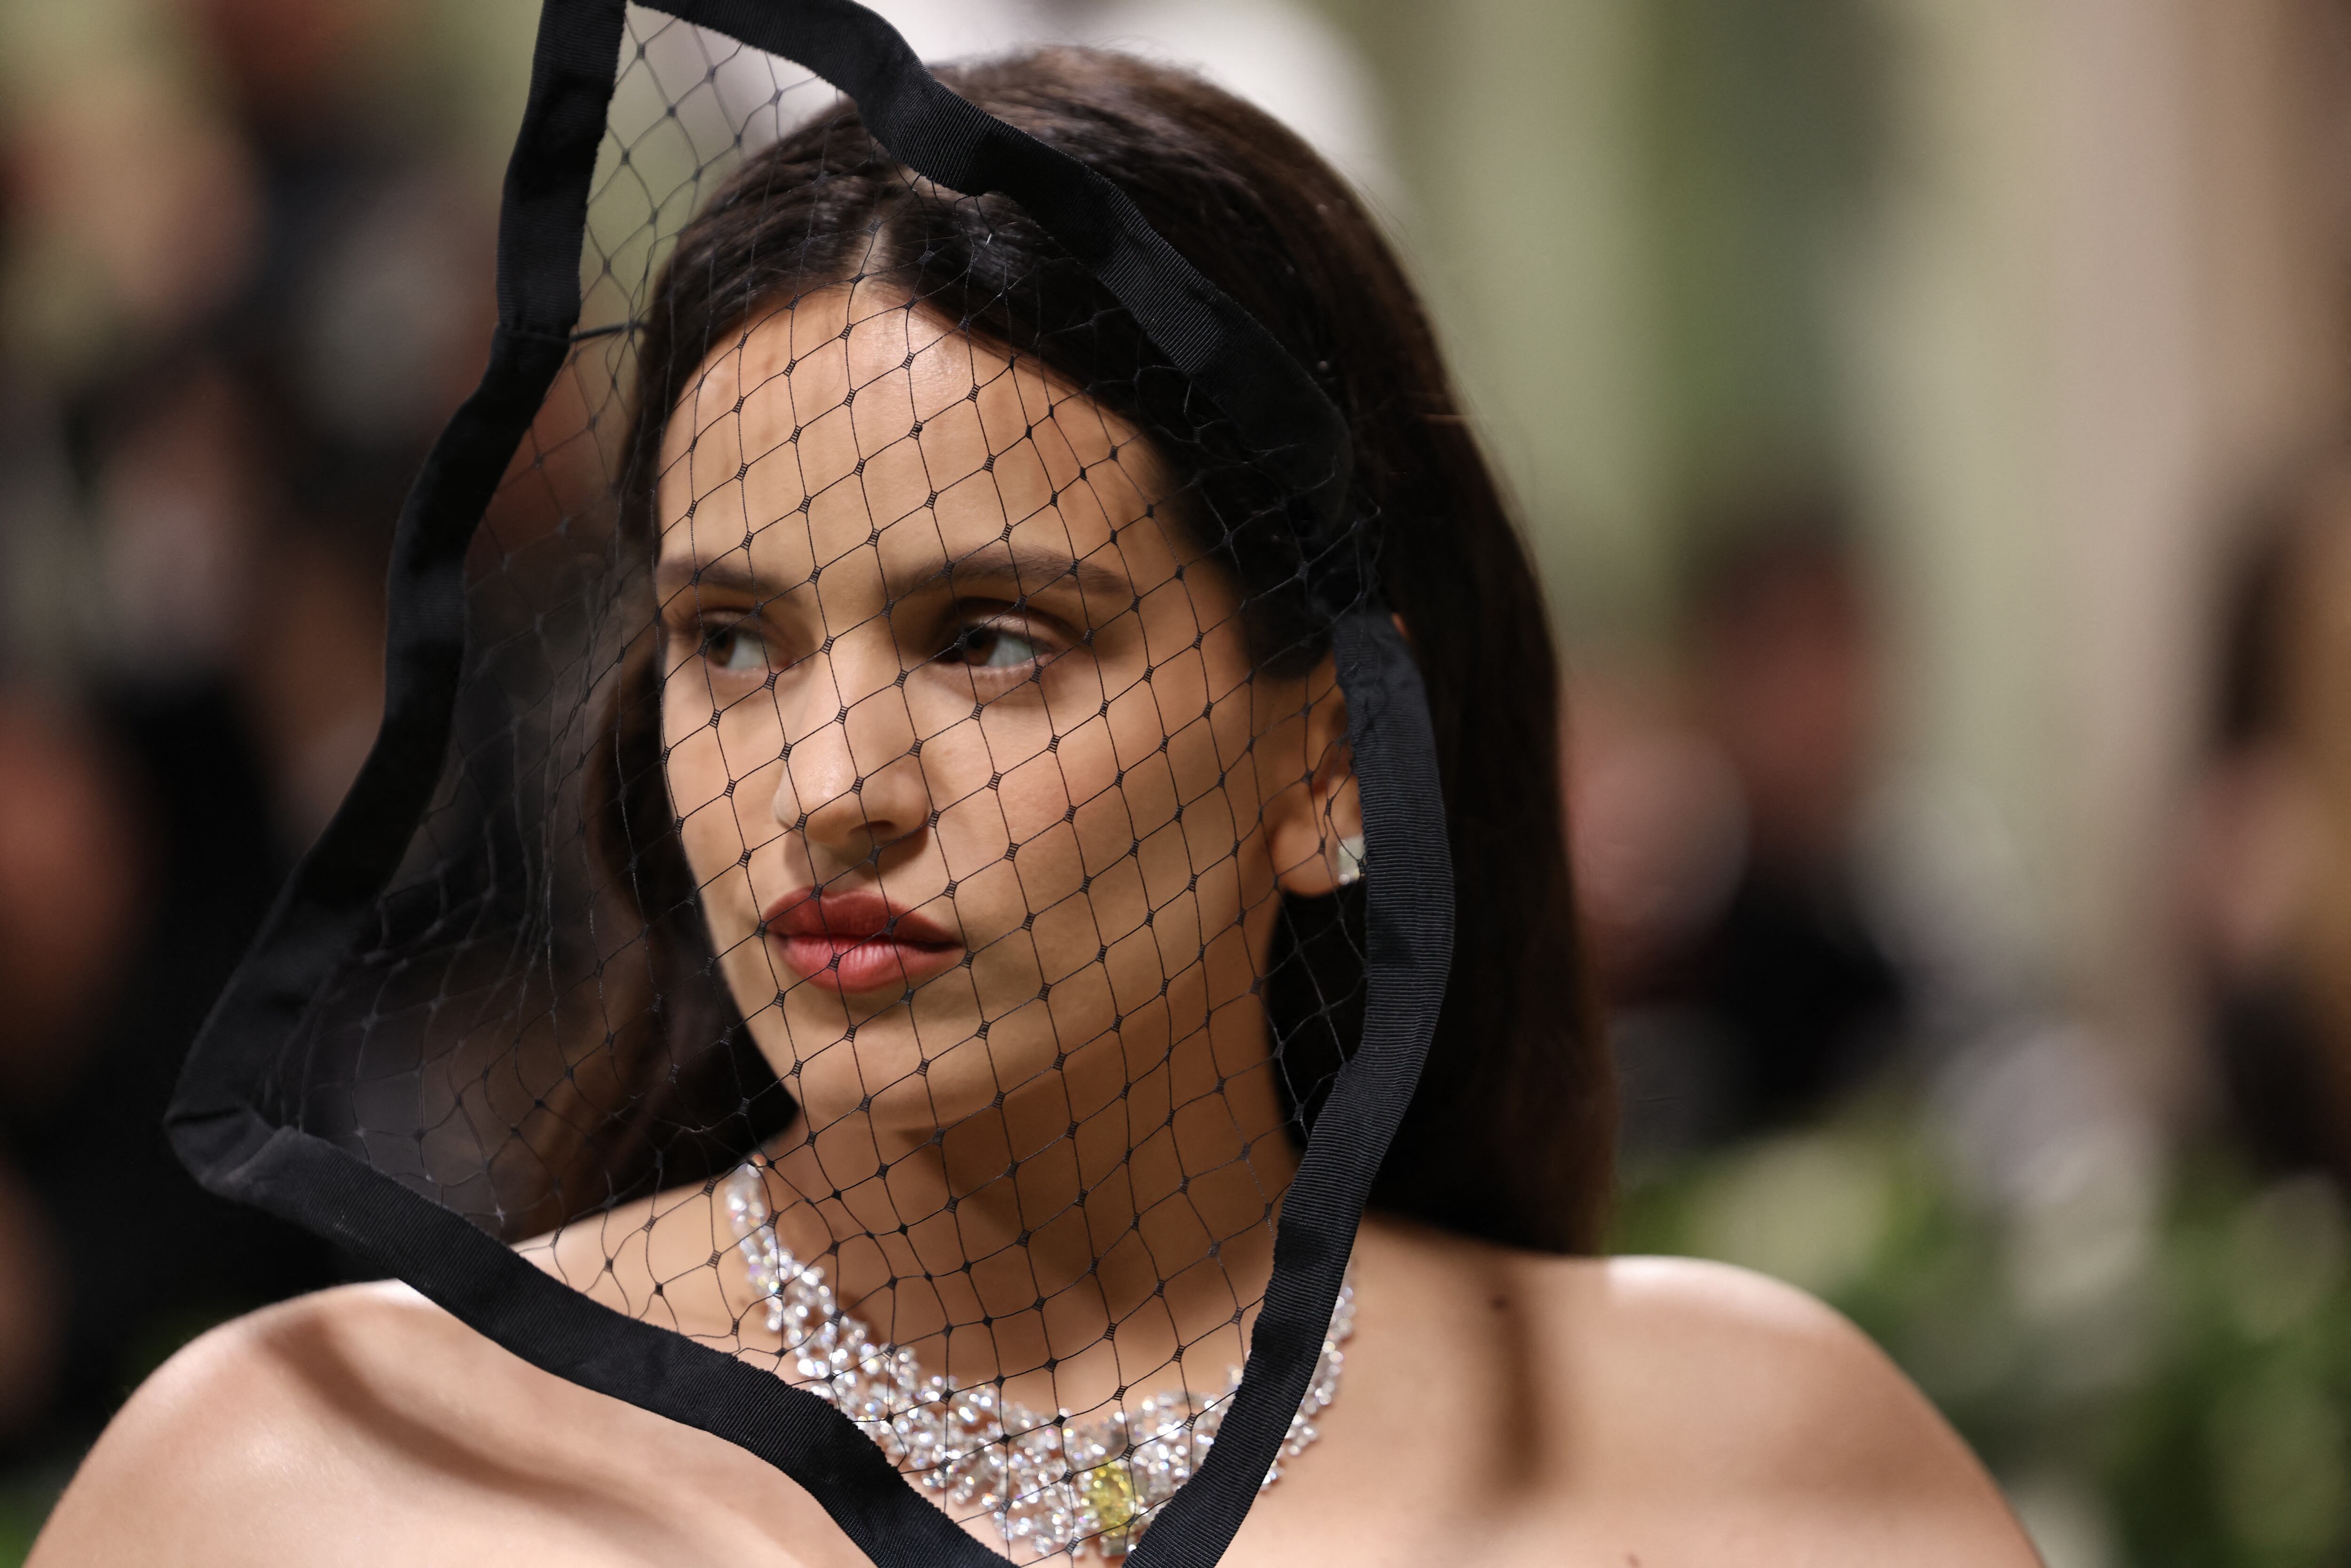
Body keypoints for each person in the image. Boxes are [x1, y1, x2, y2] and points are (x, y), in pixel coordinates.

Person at [31, 48, 2034, 1566]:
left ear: (1338, 752)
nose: (832, 790)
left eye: (989, 639)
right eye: (730, 641)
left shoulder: (1734, 1468)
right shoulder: (312, 1485)